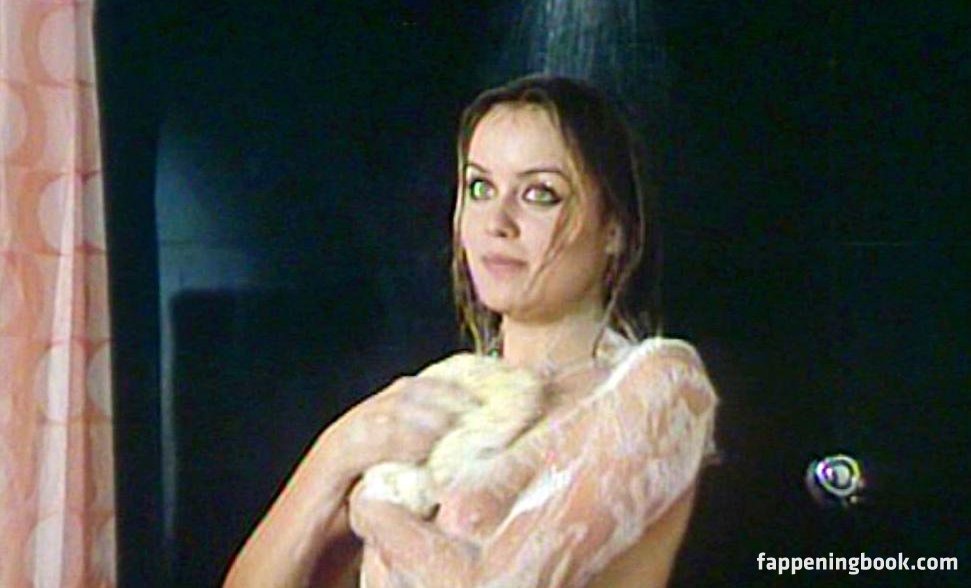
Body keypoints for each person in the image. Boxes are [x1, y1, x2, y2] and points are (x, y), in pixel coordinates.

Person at [224, 75, 719, 588]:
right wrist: (334, 453)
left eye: (540, 194)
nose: (496, 222)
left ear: (614, 229)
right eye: (480, 188)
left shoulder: (658, 383)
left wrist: (372, 511)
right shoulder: (438, 398)